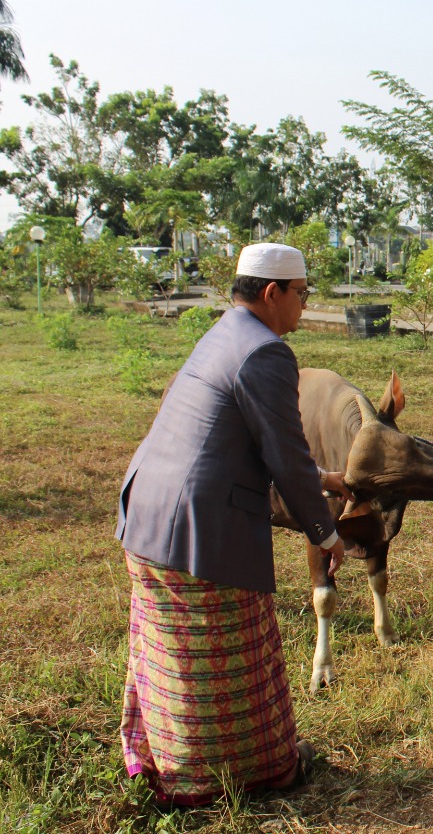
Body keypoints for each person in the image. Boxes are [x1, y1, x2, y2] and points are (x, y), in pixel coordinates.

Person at [115, 243, 352, 806]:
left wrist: (320, 476)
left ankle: (173, 767)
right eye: (302, 294)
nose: (305, 305)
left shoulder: (224, 333)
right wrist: (325, 533)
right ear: (272, 293)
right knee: (231, 661)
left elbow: (233, 435)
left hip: (150, 516)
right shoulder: (268, 352)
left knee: (174, 660)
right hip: (197, 531)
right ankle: (256, 772)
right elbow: (285, 454)